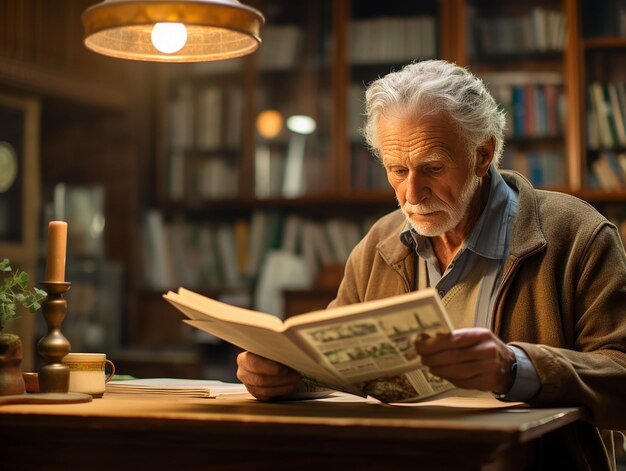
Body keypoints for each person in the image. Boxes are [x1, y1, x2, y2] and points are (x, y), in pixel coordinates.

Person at [237, 60, 626, 469]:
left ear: (483, 154)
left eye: (433, 168)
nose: (411, 193)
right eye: (396, 170)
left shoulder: (577, 234)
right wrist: (288, 375)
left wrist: (516, 367)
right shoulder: (379, 245)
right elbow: (336, 362)